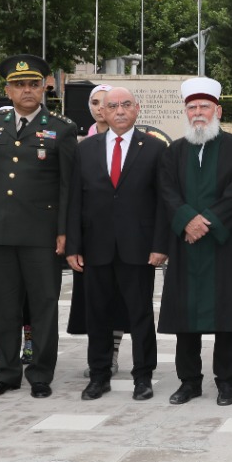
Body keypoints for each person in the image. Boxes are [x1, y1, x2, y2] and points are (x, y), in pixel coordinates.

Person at [0, 54, 77, 400]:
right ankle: (6, 372)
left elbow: (68, 186)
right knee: (3, 306)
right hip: (0, 232)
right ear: (7, 90)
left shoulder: (62, 128)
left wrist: (64, 231)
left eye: (34, 84)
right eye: (19, 85)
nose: (27, 90)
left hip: (41, 234)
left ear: (45, 87)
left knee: (43, 305)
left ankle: (40, 373)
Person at [157, 77, 232, 405]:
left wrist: (206, 222)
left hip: (223, 245)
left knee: (225, 316)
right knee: (186, 318)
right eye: (192, 107)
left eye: (204, 107)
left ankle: (226, 382)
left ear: (218, 110)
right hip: (186, 245)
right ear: (186, 112)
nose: (198, 112)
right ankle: (189, 382)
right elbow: (167, 191)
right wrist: (187, 220)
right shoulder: (174, 151)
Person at [67, 86, 167, 402]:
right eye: (113, 106)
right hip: (96, 246)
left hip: (138, 247)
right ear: (103, 112)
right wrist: (73, 245)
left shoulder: (154, 149)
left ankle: (143, 377)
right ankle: (99, 376)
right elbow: (74, 201)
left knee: (140, 315)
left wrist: (160, 244)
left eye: (126, 105)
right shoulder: (85, 149)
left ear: (137, 109)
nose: (119, 111)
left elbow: (164, 201)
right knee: (97, 314)